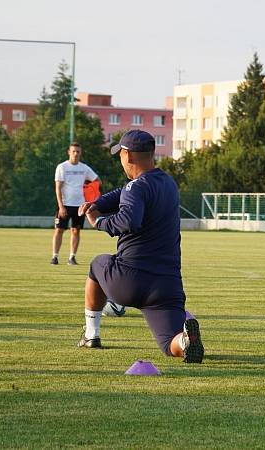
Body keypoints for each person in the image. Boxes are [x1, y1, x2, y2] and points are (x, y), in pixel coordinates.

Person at [75, 130, 203, 363]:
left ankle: (91, 334)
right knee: (169, 343)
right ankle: (185, 342)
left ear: (129, 156)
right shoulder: (168, 183)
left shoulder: (136, 188)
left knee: (97, 265)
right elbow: (124, 193)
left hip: (129, 280)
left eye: (121, 154)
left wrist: (99, 222)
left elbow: (129, 219)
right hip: (166, 284)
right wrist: (98, 203)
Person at [52, 143, 98, 266]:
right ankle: (55, 257)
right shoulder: (62, 167)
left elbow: (97, 180)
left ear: (80, 153)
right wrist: (61, 206)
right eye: (74, 151)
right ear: (69, 152)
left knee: (75, 231)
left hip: (79, 205)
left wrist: (89, 190)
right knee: (59, 230)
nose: (76, 154)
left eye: (78, 151)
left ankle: (72, 257)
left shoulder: (84, 168)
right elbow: (58, 188)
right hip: (65, 204)